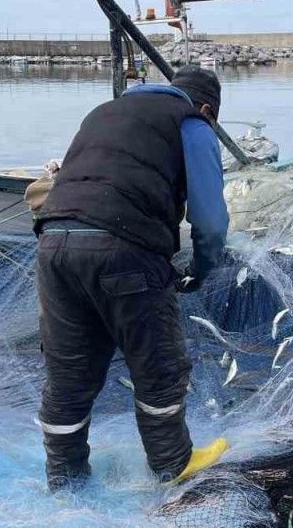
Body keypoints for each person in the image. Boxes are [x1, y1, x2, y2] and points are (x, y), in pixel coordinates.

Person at [33, 66, 231, 491]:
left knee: (70, 368)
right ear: (206, 109)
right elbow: (211, 221)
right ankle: (172, 464)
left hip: (52, 245)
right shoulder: (192, 122)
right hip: (124, 247)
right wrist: (200, 270)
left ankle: (64, 476)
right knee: (157, 361)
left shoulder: (103, 112)